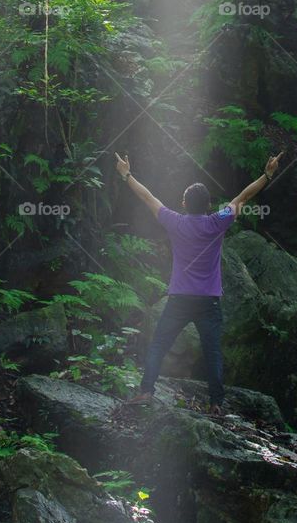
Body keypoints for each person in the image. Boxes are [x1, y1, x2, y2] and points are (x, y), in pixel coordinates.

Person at [114, 149, 282, 415]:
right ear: (207, 205)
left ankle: (146, 391)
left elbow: (148, 198)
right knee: (212, 351)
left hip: (180, 299)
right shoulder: (218, 222)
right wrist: (267, 175)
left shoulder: (175, 222)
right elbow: (244, 196)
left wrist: (127, 175)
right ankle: (216, 403)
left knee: (159, 344)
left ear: (184, 203)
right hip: (208, 301)